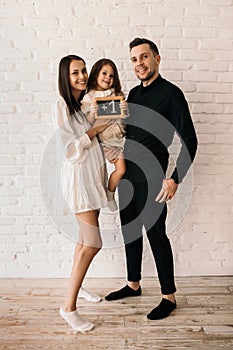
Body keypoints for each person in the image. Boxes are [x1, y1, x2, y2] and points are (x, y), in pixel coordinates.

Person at [104, 38, 198, 320]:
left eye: (144, 57)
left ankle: (168, 296)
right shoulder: (131, 94)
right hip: (126, 176)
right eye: (134, 59)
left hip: (154, 177)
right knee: (129, 231)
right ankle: (133, 284)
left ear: (157, 58)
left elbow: (190, 140)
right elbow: (110, 125)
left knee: (156, 234)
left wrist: (175, 179)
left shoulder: (172, 94)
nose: (139, 64)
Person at [53, 55, 113, 332]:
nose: (81, 76)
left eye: (83, 71)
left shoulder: (82, 106)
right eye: (75, 72)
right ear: (65, 77)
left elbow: (101, 129)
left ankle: (79, 287)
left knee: (83, 241)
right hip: (78, 180)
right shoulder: (62, 106)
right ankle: (69, 308)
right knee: (92, 243)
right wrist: (96, 129)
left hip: (92, 177)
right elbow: (69, 149)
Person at [81, 58, 127, 211]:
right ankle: (109, 194)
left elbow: (124, 120)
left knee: (122, 170)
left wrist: (125, 109)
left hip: (121, 138)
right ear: (96, 75)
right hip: (105, 141)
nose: (108, 77)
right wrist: (93, 113)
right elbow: (85, 125)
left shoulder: (117, 95)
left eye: (112, 75)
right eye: (104, 73)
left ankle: (109, 193)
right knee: (118, 170)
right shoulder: (89, 97)